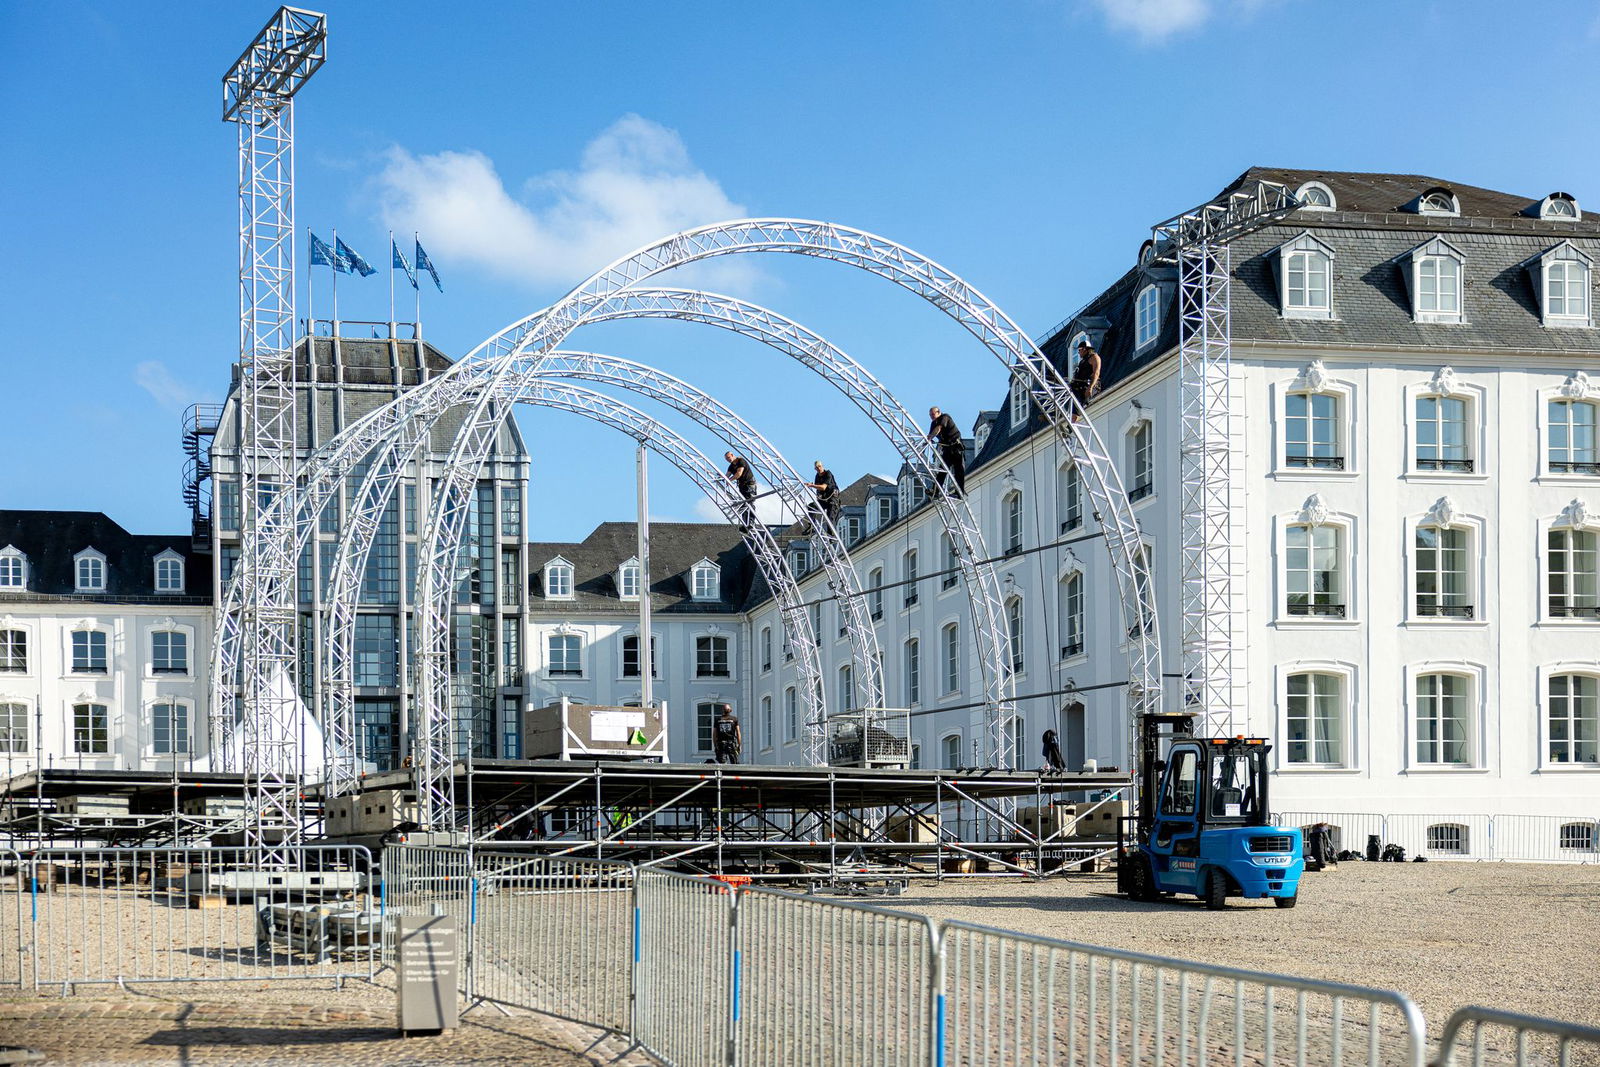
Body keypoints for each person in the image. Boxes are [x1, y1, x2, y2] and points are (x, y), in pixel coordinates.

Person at [926, 406, 966, 497]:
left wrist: (930, 437)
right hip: (947, 449)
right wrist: (929, 439)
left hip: (956, 447)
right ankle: (935, 491)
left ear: (938, 412)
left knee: (959, 470)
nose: (931, 416)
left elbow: (938, 429)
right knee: (942, 470)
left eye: (933, 414)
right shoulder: (933, 424)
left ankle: (959, 492)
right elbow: (931, 434)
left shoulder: (945, 417)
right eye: (930, 415)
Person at [1068, 340, 1102, 418]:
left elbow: (1096, 373)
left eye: (1079, 350)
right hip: (1079, 386)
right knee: (1070, 393)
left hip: (1088, 386)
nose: (1078, 352)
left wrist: (1090, 387)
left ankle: (1073, 421)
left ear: (1084, 349)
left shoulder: (1094, 357)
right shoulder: (1082, 362)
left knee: (1077, 401)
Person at [724, 451, 757, 529]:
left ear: (732, 455)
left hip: (749, 485)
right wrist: (723, 479)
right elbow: (726, 476)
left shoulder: (741, 461)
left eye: (728, 457)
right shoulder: (731, 466)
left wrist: (729, 480)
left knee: (749, 502)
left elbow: (739, 473)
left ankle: (751, 522)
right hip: (742, 486)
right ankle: (746, 524)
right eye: (726, 459)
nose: (728, 460)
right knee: (742, 505)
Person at [807, 460, 840, 530]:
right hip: (824, 500)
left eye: (819, 466)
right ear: (815, 469)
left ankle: (831, 538)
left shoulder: (828, 474)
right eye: (817, 467)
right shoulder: (817, 476)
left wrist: (812, 485)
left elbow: (823, 487)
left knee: (829, 519)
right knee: (811, 506)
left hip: (832, 500)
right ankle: (812, 525)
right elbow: (818, 490)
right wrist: (818, 496)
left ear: (822, 466)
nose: (818, 468)